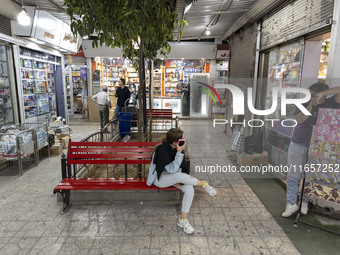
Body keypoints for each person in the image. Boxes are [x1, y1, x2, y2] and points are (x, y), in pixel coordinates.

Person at [282, 83, 340, 217]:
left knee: (310, 177)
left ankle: (304, 201)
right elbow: (299, 119)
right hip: (298, 143)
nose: (310, 97)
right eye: (310, 94)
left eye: (313, 95)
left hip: (318, 148)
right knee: (294, 175)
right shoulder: (303, 103)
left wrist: (322, 95)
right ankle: (290, 204)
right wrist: (312, 104)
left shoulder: (330, 103)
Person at [147, 128, 217, 234]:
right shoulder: (162, 150)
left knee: (189, 189)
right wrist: (179, 153)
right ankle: (203, 184)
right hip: (159, 179)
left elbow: (179, 168)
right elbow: (172, 169)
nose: (185, 140)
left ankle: (182, 220)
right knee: (179, 176)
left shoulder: (176, 148)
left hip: (174, 177)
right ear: (175, 142)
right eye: (183, 138)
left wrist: (180, 153)